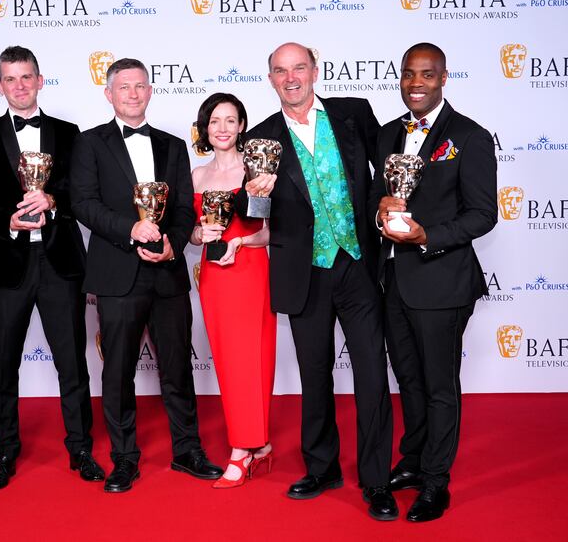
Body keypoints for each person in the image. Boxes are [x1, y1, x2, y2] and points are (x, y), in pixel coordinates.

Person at [235, 42, 397, 520]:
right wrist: (256, 197)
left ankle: (376, 480)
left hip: (357, 265)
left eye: (299, 67)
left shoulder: (353, 113)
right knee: (314, 374)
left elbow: (388, 173)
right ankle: (322, 466)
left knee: (371, 372)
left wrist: (392, 214)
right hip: (304, 271)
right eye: (281, 71)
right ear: (270, 79)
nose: (291, 78)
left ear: (315, 70)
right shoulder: (260, 137)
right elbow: (253, 214)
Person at [71, 58, 223, 493]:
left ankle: (187, 450)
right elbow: (83, 202)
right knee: (117, 370)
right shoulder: (89, 144)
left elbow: (181, 210)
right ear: (109, 94)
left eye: (140, 86)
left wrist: (175, 242)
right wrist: (130, 229)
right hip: (117, 273)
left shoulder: (174, 146)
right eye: (124, 87)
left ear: (150, 90)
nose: (133, 94)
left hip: (167, 274)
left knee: (178, 367)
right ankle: (124, 458)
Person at [369, 43, 497, 522]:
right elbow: (377, 201)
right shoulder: (386, 136)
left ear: (444, 78)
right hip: (394, 281)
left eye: (427, 74)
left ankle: (437, 483)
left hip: (442, 281)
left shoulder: (469, 136)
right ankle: (415, 461)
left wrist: (428, 237)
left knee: (440, 385)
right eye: (408, 74)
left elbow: (484, 214)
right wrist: (380, 213)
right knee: (409, 380)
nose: (416, 84)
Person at [0, 46, 103, 489]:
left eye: (27, 77)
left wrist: (53, 201)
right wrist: (6, 220)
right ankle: (4, 451)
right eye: (10, 78)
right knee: (3, 363)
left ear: (41, 80)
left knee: (72, 362)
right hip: (5, 263)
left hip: (59, 261)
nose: (20, 85)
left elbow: (81, 193)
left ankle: (80, 447)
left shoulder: (70, 133)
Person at [189, 93, 276, 488]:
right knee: (228, 360)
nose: (222, 128)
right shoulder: (196, 176)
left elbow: (268, 232)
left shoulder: (255, 173)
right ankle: (259, 446)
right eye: (215, 121)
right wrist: (198, 234)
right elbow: (191, 234)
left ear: (242, 125)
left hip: (249, 270)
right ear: (205, 128)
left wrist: (238, 244)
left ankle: (241, 450)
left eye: (230, 120)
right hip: (213, 276)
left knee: (251, 357)